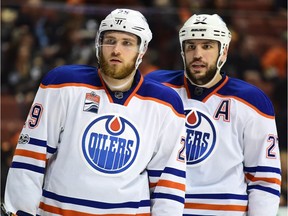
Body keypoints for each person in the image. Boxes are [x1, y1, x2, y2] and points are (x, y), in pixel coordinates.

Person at [2, 8, 187, 215]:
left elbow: (167, 183)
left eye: (127, 43)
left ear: (141, 50)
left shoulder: (166, 104)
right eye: (110, 41)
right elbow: (30, 158)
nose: (116, 50)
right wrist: (19, 211)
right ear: (99, 45)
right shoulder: (62, 84)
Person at [146, 14, 282, 215]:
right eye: (191, 46)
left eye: (207, 46)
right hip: (163, 208)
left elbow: (264, 179)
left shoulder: (252, 101)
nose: (197, 54)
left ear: (224, 51)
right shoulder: (157, 87)